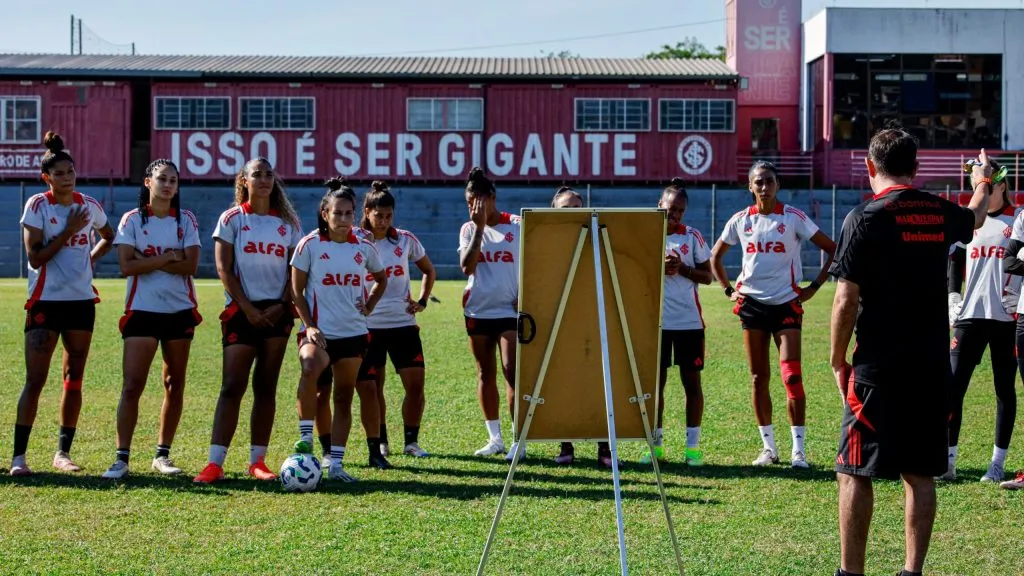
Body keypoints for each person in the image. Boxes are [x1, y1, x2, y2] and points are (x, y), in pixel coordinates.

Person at [828, 131, 989, 576]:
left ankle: (851, 572)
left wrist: (837, 358)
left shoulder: (865, 216)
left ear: (869, 166)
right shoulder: (938, 212)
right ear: (915, 169)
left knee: (854, 468)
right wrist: (981, 180)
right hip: (931, 364)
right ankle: (911, 572)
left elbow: (845, 300)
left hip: (878, 365)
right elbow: (975, 217)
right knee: (919, 472)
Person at [709, 161, 836, 468]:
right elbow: (716, 257)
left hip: (786, 304)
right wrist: (729, 290)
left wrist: (815, 286)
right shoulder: (741, 221)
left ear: (778, 185)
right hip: (752, 305)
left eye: (769, 181)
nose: (764, 187)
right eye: (758, 182)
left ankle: (798, 451)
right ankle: (769, 448)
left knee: (792, 375)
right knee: (757, 378)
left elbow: (833, 248)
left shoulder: (793, 218)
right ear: (750, 187)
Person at [10, 131, 115, 476]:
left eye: (70, 172)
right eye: (59, 173)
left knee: (74, 379)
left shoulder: (89, 206)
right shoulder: (37, 206)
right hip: (45, 302)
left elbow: (108, 236)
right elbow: (35, 257)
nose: (66, 178)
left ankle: (62, 453)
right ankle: (19, 458)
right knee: (35, 380)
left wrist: (89, 259)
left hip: (81, 303)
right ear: (46, 178)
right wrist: (70, 233)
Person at [193, 159, 304, 484]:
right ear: (244, 180)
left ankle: (258, 461)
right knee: (231, 386)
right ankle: (215, 462)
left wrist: (282, 304)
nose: (265, 179)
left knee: (265, 386)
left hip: (277, 312)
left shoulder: (287, 221)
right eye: (258, 174)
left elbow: (295, 271)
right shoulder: (232, 219)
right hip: (242, 312)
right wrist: (248, 308)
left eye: (270, 174)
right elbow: (224, 269)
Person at [102, 159, 202, 480]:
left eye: (173, 180)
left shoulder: (185, 220)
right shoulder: (131, 219)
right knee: (132, 385)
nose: (169, 185)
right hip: (142, 311)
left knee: (174, 384)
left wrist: (149, 260)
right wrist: (169, 256)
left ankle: (162, 455)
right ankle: (121, 458)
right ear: (148, 183)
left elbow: (190, 267)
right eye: (162, 179)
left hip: (178, 312)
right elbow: (126, 267)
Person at [290, 177, 389, 482]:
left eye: (348, 213)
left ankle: (335, 464)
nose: (344, 219)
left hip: (353, 334)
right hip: (320, 333)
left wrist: (369, 306)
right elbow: (296, 292)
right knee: (310, 368)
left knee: (344, 397)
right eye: (337, 213)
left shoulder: (364, 246)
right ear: (325, 214)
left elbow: (381, 279)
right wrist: (310, 327)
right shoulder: (309, 245)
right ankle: (306, 440)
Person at [944, 158, 1020, 483]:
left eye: (990, 186)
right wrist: (952, 296)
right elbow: (954, 261)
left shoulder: (1017, 221)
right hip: (969, 316)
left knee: (1004, 390)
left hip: (1006, 319)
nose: (985, 192)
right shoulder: (968, 220)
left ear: (1002, 185)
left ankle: (997, 463)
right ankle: (947, 462)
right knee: (951, 389)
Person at [354, 180, 437, 459]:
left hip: (403, 325)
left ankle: (411, 442)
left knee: (415, 386)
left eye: (389, 215)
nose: (384, 221)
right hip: (368, 326)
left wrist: (422, 301)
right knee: (374, 388)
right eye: (379, 215)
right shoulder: (354, 240)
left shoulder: (405, 239)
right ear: (367, 212)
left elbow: (428, 269)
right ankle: (381, 441)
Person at [641, 178, 712, 467]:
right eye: (670, 210)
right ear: (660, 206)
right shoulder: (644, 234)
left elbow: (708, 277)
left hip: (688, 323)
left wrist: (682, 269)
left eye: (680, 211)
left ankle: (692, 449)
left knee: (691, 384)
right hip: (654, 324)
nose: (674, 216)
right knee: (655, 386)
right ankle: (655, 447)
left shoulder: (691, 236)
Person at [547, 186, 615, 469]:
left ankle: (605, 447)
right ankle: (566, 444)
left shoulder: (598, 238)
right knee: (564, 381)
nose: (575, 215)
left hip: (593, 318)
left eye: (579, 208)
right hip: (560, 320)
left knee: (599, 380)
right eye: (567, 209)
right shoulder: (546, 241)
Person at [458, 168, 522, 461]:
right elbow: (467, 268)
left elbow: (535, 262)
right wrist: (480, 227)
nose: (473, 208)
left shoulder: (518, 225)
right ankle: (495, 438)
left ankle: (518, 440)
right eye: (469, 202)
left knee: (513, 372)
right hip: (478, 309)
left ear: (492, 198)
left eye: (478, 202)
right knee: (485, 372)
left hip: (510, 310)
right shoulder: (469, 229)